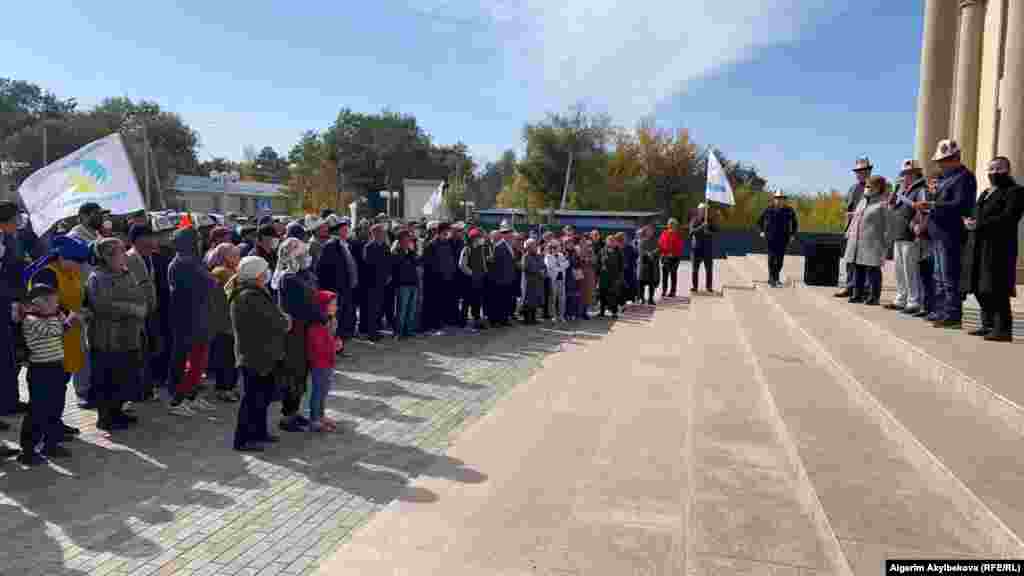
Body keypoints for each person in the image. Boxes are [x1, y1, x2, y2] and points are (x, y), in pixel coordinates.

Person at [24, 235, 93, 439]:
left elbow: (79, 296)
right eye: (76, 261)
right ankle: (47, 430)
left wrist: (85, 309)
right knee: (50, 389)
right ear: (62, 257)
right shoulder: (47, 274)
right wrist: (70, 315)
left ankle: (55, 421)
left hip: (69, 335)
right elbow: (44, 304)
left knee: (61, 383)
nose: (80, 266)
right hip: (50, 340)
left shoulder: (71, 271)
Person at [229, 256, 290, 452]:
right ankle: (243, 439)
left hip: (261, 354)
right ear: (256, 275)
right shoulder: (250, 296)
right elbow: (276, 321)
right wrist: (285, 321)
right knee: (252, 399)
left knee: (261, 398)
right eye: (264, 271)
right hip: (255, 355)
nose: (267, 274)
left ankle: (259, 433)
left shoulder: (254, 293)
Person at [87, 237, 148, 430]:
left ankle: (117, 411)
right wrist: (131, 309)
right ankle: (105, 417)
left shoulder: (127, 273)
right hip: (107, 336)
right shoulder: (97, 277)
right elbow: (102, 305)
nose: (124, 256)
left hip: (129, 334)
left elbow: (139, 296)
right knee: (107, 377)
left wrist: (139, 307)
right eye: (120, 252)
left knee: (124, 375)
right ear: (107, 257)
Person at [915, 139, 977, 328]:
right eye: (940, 161)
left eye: (944, 161)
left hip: (951, 233)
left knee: (949, 275)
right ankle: (941, 310)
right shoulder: (944, 179)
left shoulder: (964, 177)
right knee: (938, 275)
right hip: (937, 231)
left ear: (956, 158)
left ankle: (953, 314)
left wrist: (933, 204)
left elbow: (962, 205)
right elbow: (940, 203)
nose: (940, 165)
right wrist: (929, 202)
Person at [962, 156, 1024, 341]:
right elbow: (977, 213)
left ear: (1008, 170)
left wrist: (980, 223)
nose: (994, 172)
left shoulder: (1015, 191)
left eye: (999, 168)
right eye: (991, 169)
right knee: (980, 287)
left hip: (999, 248)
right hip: (979, 245)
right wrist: (970, 221)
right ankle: (988, 324)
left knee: (996, 288)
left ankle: (1003, 329)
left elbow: (1009, 217)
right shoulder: (985, 192)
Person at [17, 284, 79, 465]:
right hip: (40, 371)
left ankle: (50, 443)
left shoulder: (49, 317)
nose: (57, 305)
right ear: (37, 303)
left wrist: (60, 317)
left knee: (55, 407)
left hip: (56, 368)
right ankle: (28, 450)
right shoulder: (31, 320)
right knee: (38, 410)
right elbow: (54, 330)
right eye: (52, 302)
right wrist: (64, 319)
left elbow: (60, 329)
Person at [273, 238, 321, 432]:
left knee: (301, 373)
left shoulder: (301, 275)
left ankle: (294, 411)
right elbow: (304, 305)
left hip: (303, 330)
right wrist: (322, 316)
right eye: (302, 255)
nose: (307, 257)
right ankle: (287, 416)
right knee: (293, 373)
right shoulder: (288, 279)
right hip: (294, 333)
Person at [167, 227, 215, 417]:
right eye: (197, 239)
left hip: (200, 316)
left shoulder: (194, 261)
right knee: (184, 361)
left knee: (199, 362)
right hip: (187, 320)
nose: (200, 242)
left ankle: (191, 395)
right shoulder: (181, 263)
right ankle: (177, 400)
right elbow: (204, 285)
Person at [887, 159, 928, 314]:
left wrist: (918, 228)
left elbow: (923, 209)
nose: (905, 176)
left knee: (910, 270)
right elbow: (891, 206)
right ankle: (901, 298)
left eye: (909, 173)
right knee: (899, 269)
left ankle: (914, 301)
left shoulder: (920, 189)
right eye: (904, 173)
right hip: (899, 233)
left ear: (917, 173)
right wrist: (895, 190)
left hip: (911, 235)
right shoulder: (903, 191)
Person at [844, 175, 889, 305]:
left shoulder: (882, 203)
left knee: (873, 269)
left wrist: (886, 242)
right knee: (858, 268)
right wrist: (849, 232)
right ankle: (857, 294)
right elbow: (856, 219)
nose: (867, 188)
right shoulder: (863, 201)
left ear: (878, 188)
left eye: (870, 186)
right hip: (857, 240)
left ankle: (874, 297)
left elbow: (887, 224)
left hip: (873, 241)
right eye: (867, 186)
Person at [207, 243, 241, 401]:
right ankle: (224, 388)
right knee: (226, 357)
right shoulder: (222, 272)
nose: (238, 258)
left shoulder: (228, 271)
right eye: (234, 255)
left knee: (231, 356)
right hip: (224, 321)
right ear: (225, 257)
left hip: (229, 320)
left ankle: (229, 386)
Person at [836, 157, 872, 297]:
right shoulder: (853, 188)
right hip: (852, 228)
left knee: (866, 261)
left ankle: (866, 289)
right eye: (858, 171)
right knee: (850, 259)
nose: (859, 173)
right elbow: (847, 206)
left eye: (862, 171)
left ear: (868, 171)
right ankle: (850, 286)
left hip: (867, 229)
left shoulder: (874, 186)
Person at [306, 290, 339, 432]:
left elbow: (330, 338)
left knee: (324, 391)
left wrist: (335, 341)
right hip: (319, 363)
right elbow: (318, 346)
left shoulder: (329, 320)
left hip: (328, 361)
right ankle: (314, 419)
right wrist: (334, 345)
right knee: (318, 392)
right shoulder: (316, 324)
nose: (336, 307)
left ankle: (321, 415)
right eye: (332, 304)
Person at [757, 191, 799, 287]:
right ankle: (772, 279)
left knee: (780, 260)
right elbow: (759, 222)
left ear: (784, 200)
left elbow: (795, 223)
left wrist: (793, 234)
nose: (779, 200)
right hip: (770, 238)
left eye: (781, 199)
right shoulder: (769, 209)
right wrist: (761, 232)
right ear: (774, 199)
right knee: (771, 258)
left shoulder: (789, 210)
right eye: (777, 198)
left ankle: (776, 278)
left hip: (783, 238)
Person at [598, 234, 624, 318]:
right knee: (602, 294)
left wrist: (620, 277)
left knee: (613, 295)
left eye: (612, 241)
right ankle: (602, 311)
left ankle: (614, 312)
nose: (611, 242)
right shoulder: (602, 250)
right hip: (603, 276)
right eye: (609, 240)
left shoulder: (618, 251)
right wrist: (598, 273)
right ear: (606, 242)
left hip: (614, 276)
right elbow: (598, 262)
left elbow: (621, 265)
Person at [658, 218, 684, 298]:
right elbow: (660, 244)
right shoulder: (664, 233)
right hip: (665, 257)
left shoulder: (678, 234)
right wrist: (664, 253)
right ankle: (664, 291)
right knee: (665, 276)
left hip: (675, 257)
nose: (672, 226)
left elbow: (680, 246)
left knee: (673, 275)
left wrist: (675, 254)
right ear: (668, 225)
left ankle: (673, 291)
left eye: (673, 224)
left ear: (675, 225)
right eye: (670, 224)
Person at [521, 239, 545, 325]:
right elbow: (525, 268)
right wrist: (538, 271)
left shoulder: (539, 256)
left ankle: (533, 318)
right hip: (530, 282)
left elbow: (543, 266)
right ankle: (527, 319)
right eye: (533, 246)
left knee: (535, 301)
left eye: (535, 245)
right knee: (528, 301)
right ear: (528, 247)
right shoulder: (526, 256)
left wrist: (543, 271)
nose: (535, 247)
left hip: (538, 281)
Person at [544, 240, 568, 322]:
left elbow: (567, 264)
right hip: (553, 280)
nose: (557, 248)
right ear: (551, 248)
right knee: (553, 298)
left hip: (561, 279)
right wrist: (561, 266)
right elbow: (550, 267)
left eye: (557, 247)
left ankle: (561, 316)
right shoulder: (548, 257)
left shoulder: (561, 255)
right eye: (554, 247)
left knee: (562, 298)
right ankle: (553, 315)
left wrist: (559, 265)